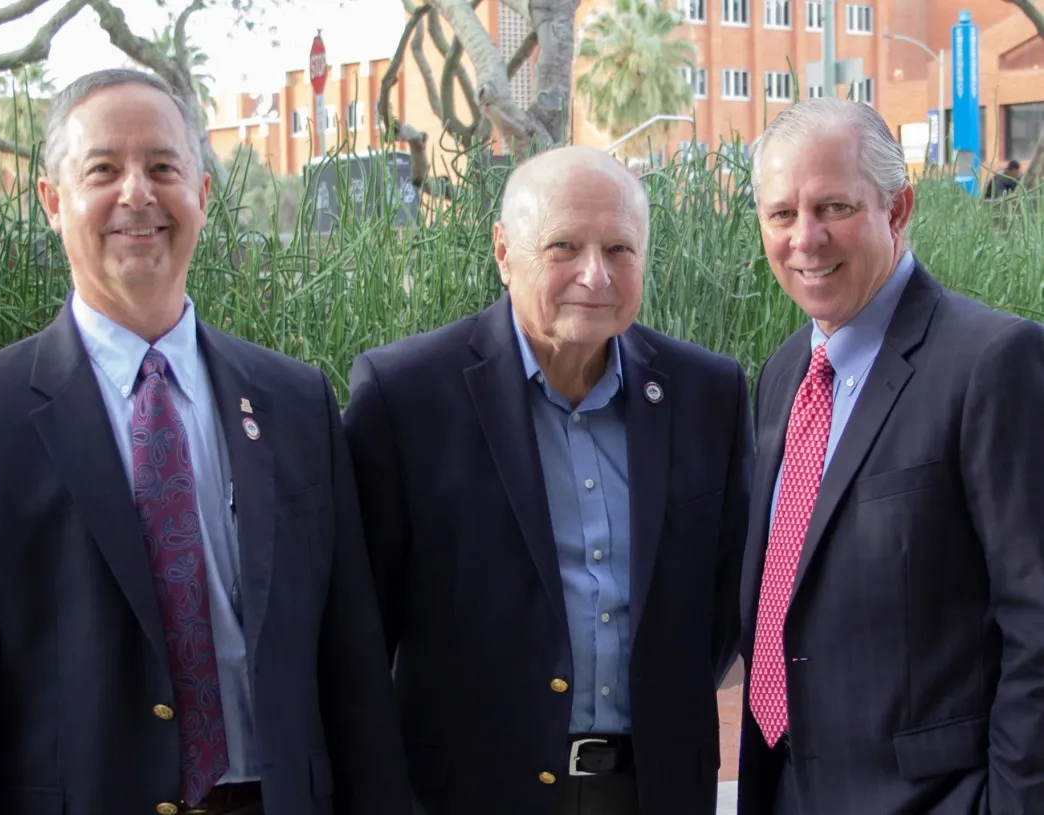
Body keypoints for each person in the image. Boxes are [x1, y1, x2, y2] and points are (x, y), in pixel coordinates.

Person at [0, 68, 410, 815]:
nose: (137, 193)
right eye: (103, 169)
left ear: (203, 194)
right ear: (52, 202)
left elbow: (352, 661)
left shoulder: (295, 401)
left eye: (163, 167)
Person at [342, 145, 754, 815]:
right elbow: (361, 635)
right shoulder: (406, 397)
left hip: (655, 788)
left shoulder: (706, 394)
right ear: (504, 251)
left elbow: (720, 608)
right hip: (472, 793)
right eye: (563, 245)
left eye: (619, 249)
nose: (595, 275)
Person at [737, 97, 1044, 815]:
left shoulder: (992, 362)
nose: (805, 239)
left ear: (899, 208)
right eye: (781, 214)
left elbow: (1037, 625)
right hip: (787, 789)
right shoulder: (783, 373)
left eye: (833, 207)